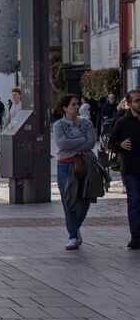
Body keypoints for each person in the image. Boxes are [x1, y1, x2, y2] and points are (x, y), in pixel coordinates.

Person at [54, 93, 96, 250]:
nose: (77, 107)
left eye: (78, 104)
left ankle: (75, 227)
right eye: (73, 104)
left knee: (84, 202)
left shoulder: (86, 123)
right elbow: (61, 144)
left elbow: (91, 143)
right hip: (65, 165)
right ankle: (72, 236)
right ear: (65, 107)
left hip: (84, 164)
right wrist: (81, 140)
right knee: (69, 200)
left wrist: (72, 142)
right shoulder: (59, 125)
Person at [109, 90, 140, 249]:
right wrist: (120, 145)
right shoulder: (122, 122)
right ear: (129, 103)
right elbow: (111, 144)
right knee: (134, 201)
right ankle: (136, 236)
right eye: (137, 101)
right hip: (131, 169)